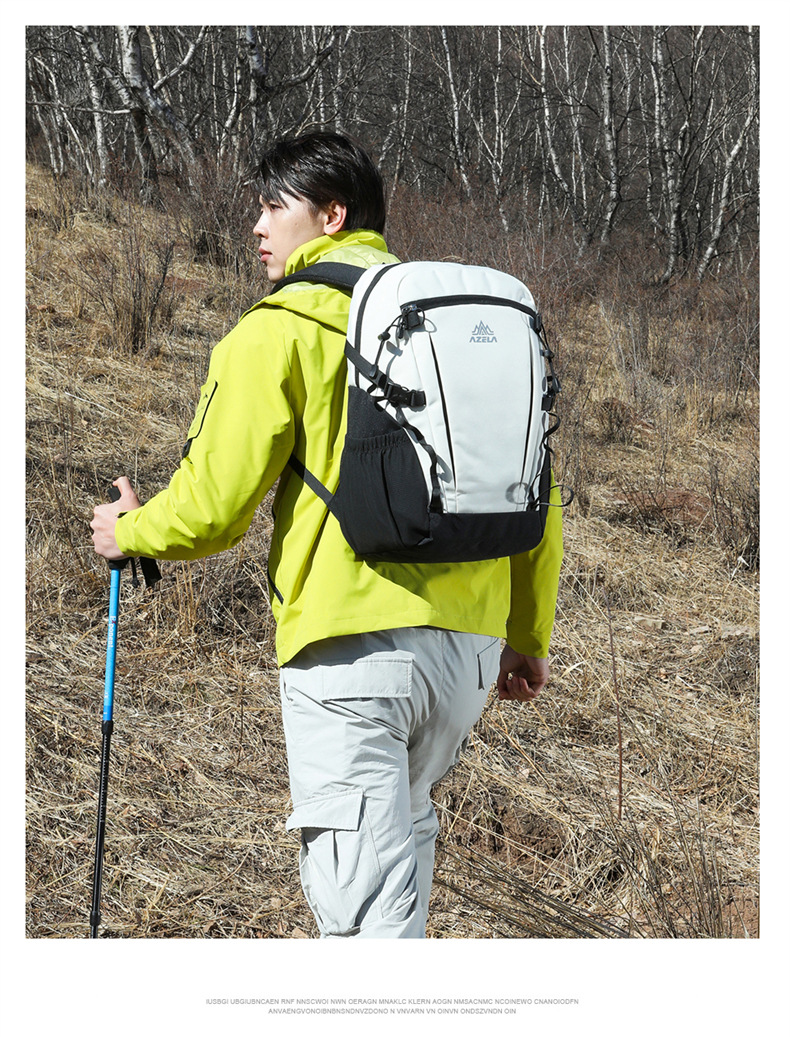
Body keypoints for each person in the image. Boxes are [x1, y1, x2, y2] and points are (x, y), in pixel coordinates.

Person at [91, 131, 563, 939]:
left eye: (274, 205)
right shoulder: (446, 330)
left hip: (352, 654)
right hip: (467, 659)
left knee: (364, 918)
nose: (257, 224)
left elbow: (213, 507)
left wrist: (128, 529)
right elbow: (536, 491)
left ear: (332, 215)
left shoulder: (281, 326)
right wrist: (527, 633)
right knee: (398, 867)